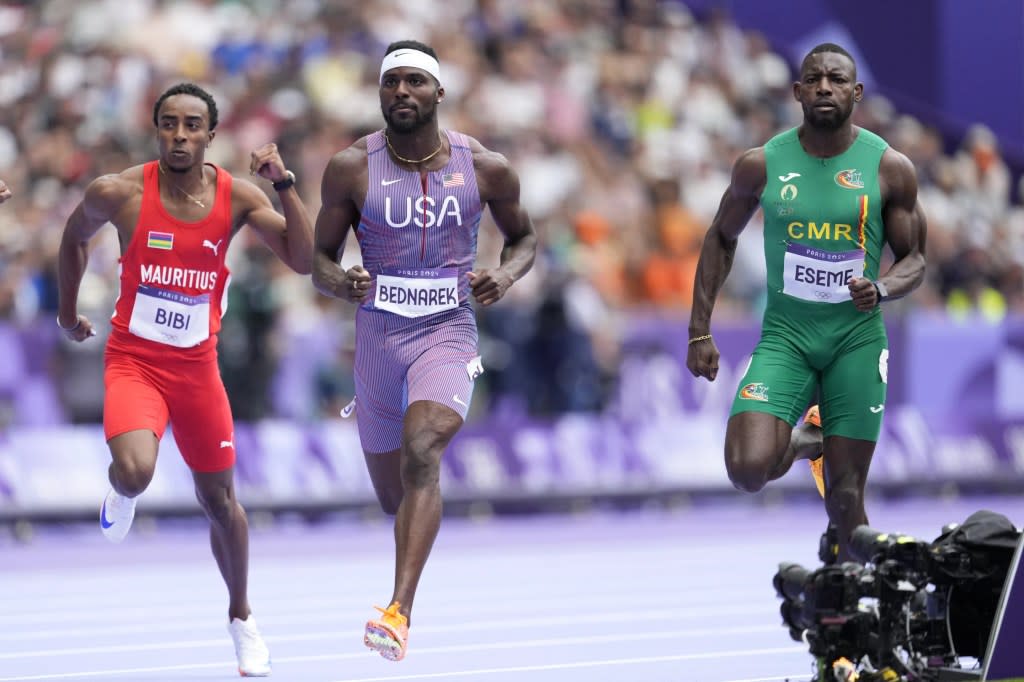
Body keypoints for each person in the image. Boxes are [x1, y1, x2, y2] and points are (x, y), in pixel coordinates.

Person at [56, 82, 315, 677]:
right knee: (135, 470)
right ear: (157, 130)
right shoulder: (117, 192)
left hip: (197, 369)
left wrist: (285, 182)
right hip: (135, 361)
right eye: (169, 123)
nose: (180, 135)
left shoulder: (239, 198)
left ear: (210, 134)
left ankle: (242, 618)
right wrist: (68, 316)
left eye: (192, 125)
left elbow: (302, 260)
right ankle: (121, 492)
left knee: (221, 502)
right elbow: (72, 240)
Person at [312, 40, 536, 661]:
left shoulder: (486, 167)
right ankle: (412, 550)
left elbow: (524, 239)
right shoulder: (350, 168)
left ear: (439, 93)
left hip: (448, 329)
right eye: (391, 83)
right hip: (378, 338)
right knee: (396, 493)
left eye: (415, 82)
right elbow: (318, 263)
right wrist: (343, 281)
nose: (402, 93)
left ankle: (398, 611)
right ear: (380, 93)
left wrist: (506, 275)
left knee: (423, 451)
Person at [686, 43, 927, 563]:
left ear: (856, 93)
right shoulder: (761, 165)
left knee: (845, 500)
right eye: (813, 79)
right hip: (787, 338)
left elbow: (916, 261)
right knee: (747, 469)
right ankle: (804, 442)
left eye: (837, 79)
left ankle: (850, 623)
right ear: (796, 92)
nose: (824, 87)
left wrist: (882, 287)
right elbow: (719, 237)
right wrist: (699, 330)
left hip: (856, 341)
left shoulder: (890, 169)